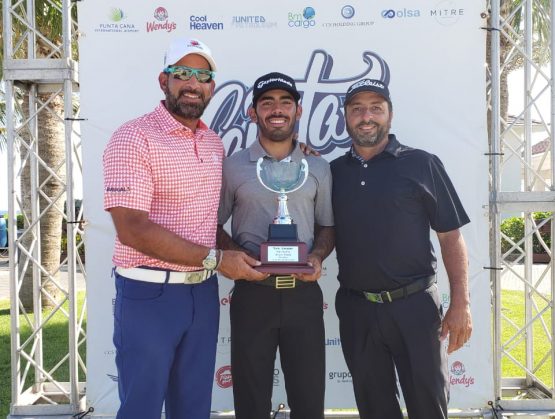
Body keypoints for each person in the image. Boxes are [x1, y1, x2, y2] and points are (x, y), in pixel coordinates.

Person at [102, 37, 265, 419]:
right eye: (183, 73)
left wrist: (298, 151)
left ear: (212, 86)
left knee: (192, 408)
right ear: (164, 81)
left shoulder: (211, 142)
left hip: (202, 295)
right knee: (141, 407)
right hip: (148, 292)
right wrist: (217, 259)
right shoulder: (133, 137)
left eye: (203, 75)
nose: (193, 83)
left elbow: (209, 220)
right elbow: (132, 229)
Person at [331, 79, 473, 419]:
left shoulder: (422, 163)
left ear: (390, 116)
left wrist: (461, 303)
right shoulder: (331, 172)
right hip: (357, 309)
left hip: (416, 309)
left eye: (376, 109)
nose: (367, 117)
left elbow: (450, 237)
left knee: (428, 406)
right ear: (346, 118)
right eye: (357, 109)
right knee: (374, 408)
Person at [217, 72, 335, 419]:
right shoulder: (233, 166)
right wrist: (235, 255)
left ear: (298, 110)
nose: (277, 109)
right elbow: (213, 224)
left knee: (309, 397)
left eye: (285, 102)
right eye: (266, 103)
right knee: (251, 401)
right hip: (253, 294)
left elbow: (327, 225)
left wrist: (316, 255)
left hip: (304, 296)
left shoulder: (317, 167)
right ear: (253, 113)